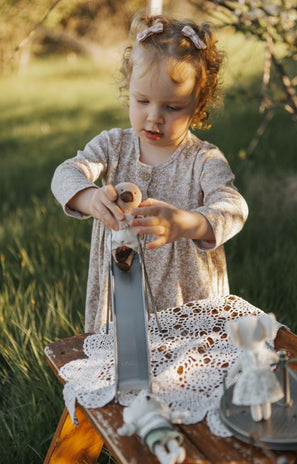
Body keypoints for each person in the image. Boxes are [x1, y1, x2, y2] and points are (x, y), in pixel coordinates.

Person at [51, 12, 249, 333]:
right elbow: (64, 173)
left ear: (198, 106)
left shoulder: (203, 158)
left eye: (172, 107)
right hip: (121, 289)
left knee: (185, 363)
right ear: (128, 89)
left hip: (185, 296)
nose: (154, 117)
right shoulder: (113, 145)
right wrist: (90, 198)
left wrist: (186, 223)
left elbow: (234, 208)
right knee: (125, 360)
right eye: (142, 101)